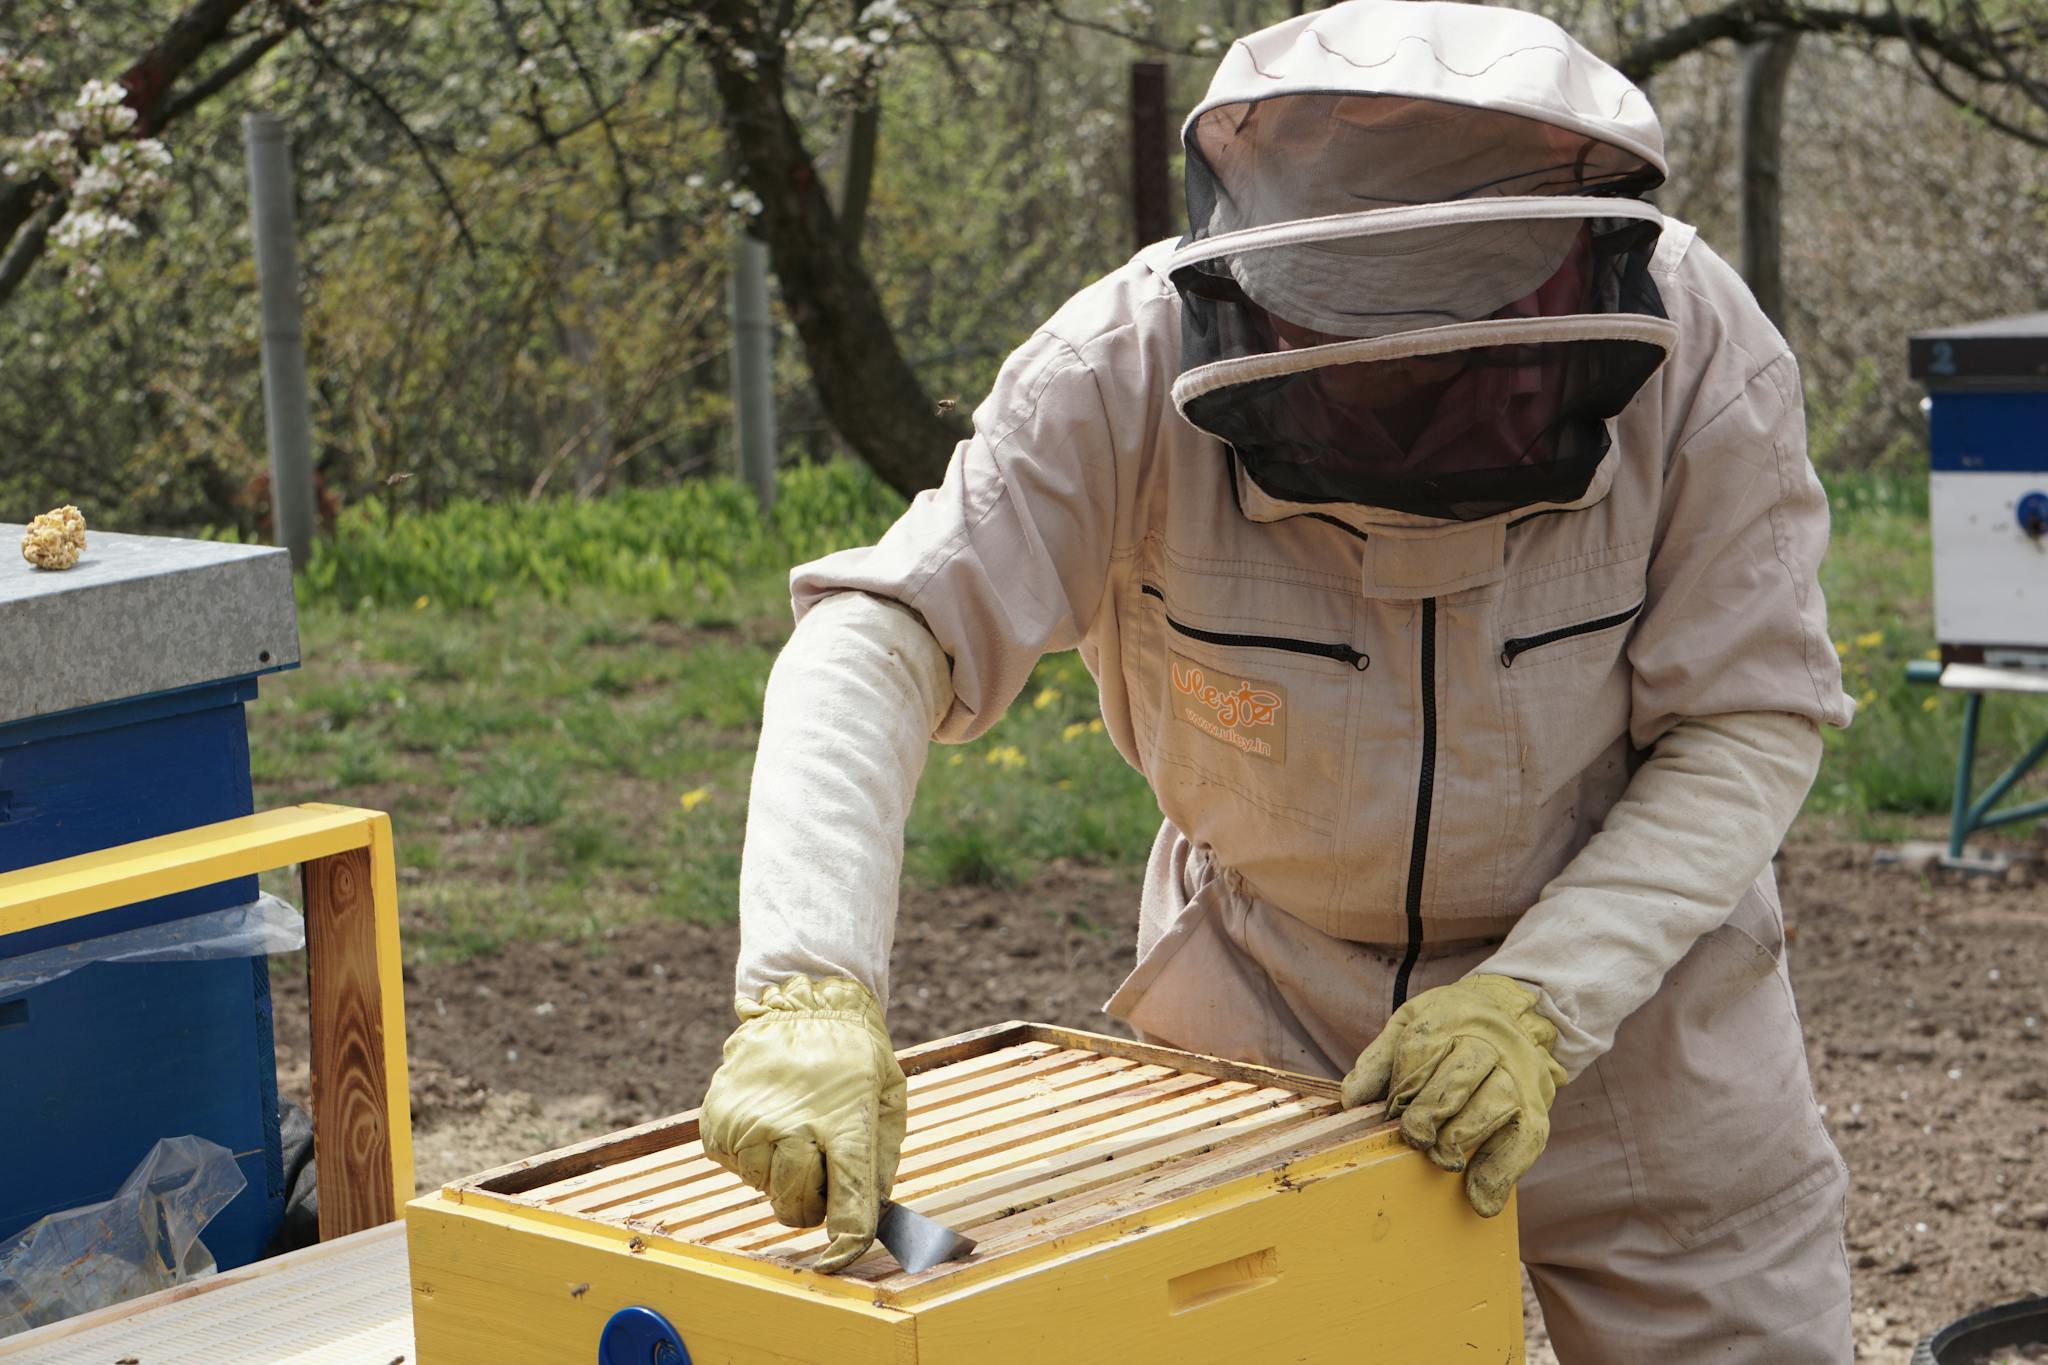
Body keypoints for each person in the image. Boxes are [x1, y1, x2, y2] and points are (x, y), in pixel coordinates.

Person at [697, 3, 1856, 1360]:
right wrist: (808, 985)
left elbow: (1748, 715)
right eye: (1360, 365)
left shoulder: (1702, 347)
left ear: (1560, 277)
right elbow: (878, 637)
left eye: (1455, 364)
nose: (1405, 402)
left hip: (1640, 1014)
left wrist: (1542, 1003)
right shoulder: (1116, 365)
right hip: (1267, 1013)